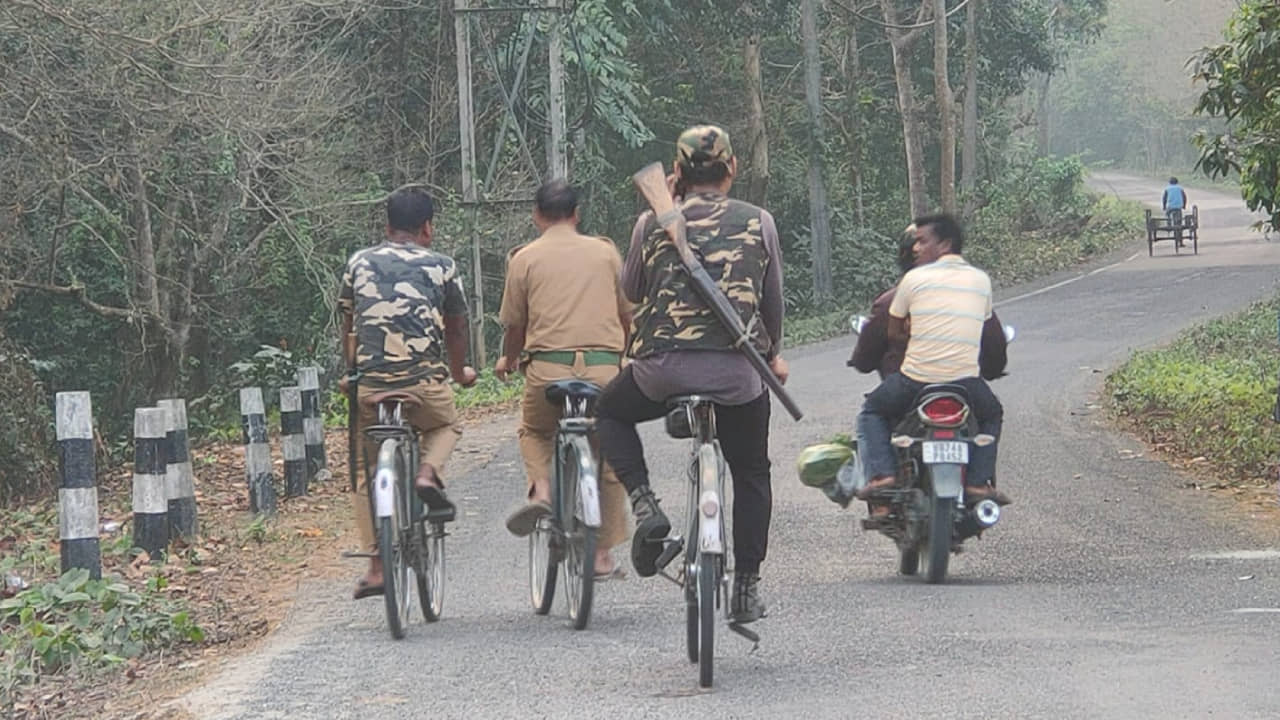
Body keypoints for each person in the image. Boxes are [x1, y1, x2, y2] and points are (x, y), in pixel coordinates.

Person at [594, 124, 787, 625]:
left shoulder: (650, 222)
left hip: (661, 372)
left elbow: (632, 291)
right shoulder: (759, 221)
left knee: (609, 412)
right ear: (733, 168)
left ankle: (644, 505)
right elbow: (772, 305)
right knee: (751, 472)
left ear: (676, 173)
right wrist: (775, 354)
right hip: (739, 379)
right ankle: (746, 585)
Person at [337, 184, 477, 600]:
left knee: (365, 471)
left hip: (372, 386)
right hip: (424, 385)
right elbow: (456, 327)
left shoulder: (358, 262)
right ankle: (427, 472)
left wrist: (351, 372)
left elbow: (346, 322)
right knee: (446, 425)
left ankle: (377, 566)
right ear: (428, 228)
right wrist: (459, 371)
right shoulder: (442, 267)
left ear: (387, 227)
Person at [495, 178, 632, 579]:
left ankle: (541, 490)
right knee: (605, 446)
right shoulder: (607, 254)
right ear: (577, 215)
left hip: (547, 371)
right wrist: (622, 358)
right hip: (604, 370)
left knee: (535, 432)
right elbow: (628, 318)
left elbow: (515, 326)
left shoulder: (524, 259)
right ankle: (603, 555)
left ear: (536, 216)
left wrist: (508, 360)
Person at [854, 213, 1009, 518]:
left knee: (871, 411)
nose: (916, 248)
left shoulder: (911, 281)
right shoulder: (981, 280)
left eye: (923, 241)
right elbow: (990, 335)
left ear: (945, 244)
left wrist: (909, 336)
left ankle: (884, 475)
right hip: (966, 384)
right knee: (993, 414)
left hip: (915, 382)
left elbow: (893, 332)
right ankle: (978, 483)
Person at [849, 224, 1008, 382]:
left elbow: (865, 360)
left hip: (905, 389)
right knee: (992, 407)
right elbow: (994, 348)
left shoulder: (888, 303)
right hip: (962, 383)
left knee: (872, 408)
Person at [1163, 177, 1187, 245]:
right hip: (1178, 208)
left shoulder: (1167, 188)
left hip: (1170, 207)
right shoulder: (1180, 188)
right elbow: (1184, 197)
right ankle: (1180, 241)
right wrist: (1184, 206)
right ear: (1177, 182)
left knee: (1167, 215)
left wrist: (1164, 206)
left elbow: (1164, 198)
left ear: (1169, 182)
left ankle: (1169, 225)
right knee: (1179, 224)